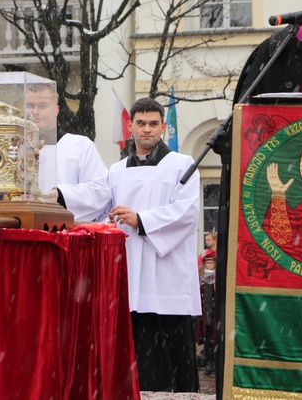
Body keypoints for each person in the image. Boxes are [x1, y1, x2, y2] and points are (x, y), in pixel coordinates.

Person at [106, 97, 201, 392]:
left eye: (153, 124)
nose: (147, 129)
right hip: (130, 275)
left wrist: (141, 220)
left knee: (172, 360)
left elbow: (188, 212)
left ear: (162, 128)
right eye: (141, 123)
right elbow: (100, 209)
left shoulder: (182, 165)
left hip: (167, 277)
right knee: (135, 359)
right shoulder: (116, 170)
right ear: (130, 126)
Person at [24, 82, 109, 222]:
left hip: (64, 232)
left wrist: (62, 196)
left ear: (56, 110)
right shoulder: (16, 147)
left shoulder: (79, 145)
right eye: (30, 106)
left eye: (43, 106)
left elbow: (100, 192)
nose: (35, 112)